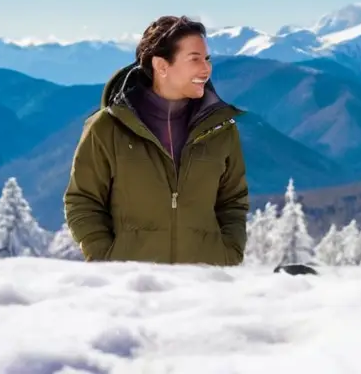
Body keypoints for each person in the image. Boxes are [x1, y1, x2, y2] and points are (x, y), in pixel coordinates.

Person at [63, 15, 249, 265]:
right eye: (195, 59)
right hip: (133, 287)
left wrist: (228, 255)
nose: (206, 69)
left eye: (207, 59)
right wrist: (106, 259)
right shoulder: (107, 128)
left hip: (206, 285)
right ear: (161, 66)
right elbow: (83, 200)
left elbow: (233, 201)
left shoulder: (220, 129)